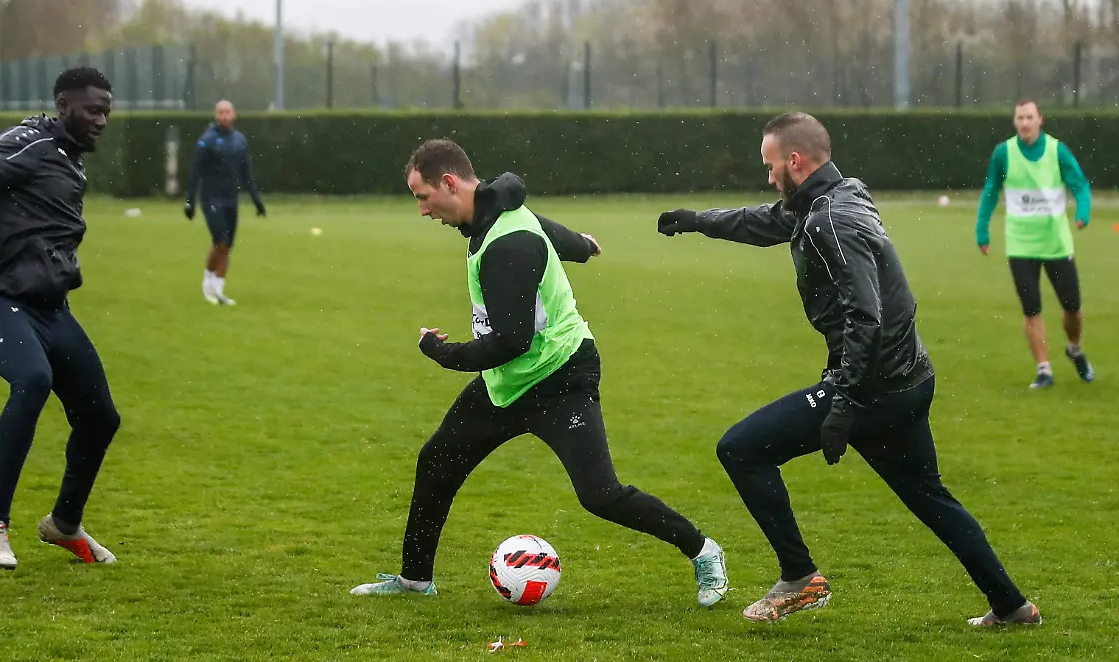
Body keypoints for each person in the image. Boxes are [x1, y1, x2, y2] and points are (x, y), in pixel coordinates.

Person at [656, 113, 1040, 626]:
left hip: (874, 387)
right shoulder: (841, 195)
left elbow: (866, 315)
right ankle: (1012, 606)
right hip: (908, 378)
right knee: (931, 498)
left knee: (741, 449)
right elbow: (766, 222)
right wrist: (699, 220)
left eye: (770, 166)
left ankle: (799, 577)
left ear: (795, 161)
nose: (768, 176)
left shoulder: (828, 221)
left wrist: (846, 401)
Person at [350, 139, 729, 606]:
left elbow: (511, 341)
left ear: (448, 183)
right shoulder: (498, 212)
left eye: (422, 197)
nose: (422, 210)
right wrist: (581, 247)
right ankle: (414, 580)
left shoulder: (507, 243)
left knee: (600, 494)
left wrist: (440, 352)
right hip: (508, 382)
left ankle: (703, 550)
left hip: (559, 378)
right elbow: (547, 230)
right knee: (437, 460)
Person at [0, 67, 121, 570]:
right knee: (33, 378)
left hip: (49, 307)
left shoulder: (69, 159)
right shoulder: (32, 141)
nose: (101, 120)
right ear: (64, 106)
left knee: (100, 417)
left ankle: (64, 524)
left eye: (106, 111)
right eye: (92, 110)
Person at [976, 98, 1094, 389]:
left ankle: (1074, 348)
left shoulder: (1057, 151)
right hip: (1021, 245)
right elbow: (991, 190)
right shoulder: (1004, 153)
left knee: (1073, 308)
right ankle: (1044, 370)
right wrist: (982, 229)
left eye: (1029, 117)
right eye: (1020, 118)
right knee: (1031, 310)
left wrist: (1083, 211)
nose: (1025, 123)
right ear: (1015, 121)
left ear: (1041, 119)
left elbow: (1079, 184)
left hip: (1056, 243)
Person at [183, 99, 266, 306]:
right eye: (221, 112)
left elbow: (247, 172)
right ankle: (207, 282)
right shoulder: (207, 140)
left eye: (228, 112)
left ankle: (218, 291)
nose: (224, 116)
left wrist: (256, 200)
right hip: (211, 198)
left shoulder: (240, 140)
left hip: (231, 199)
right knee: (220, 241)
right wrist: (190, 201)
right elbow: (195, 171)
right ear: (216, 115)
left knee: (227, 245)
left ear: (234, 115)